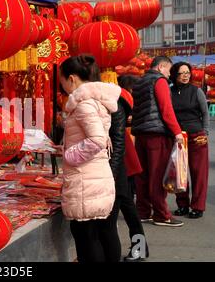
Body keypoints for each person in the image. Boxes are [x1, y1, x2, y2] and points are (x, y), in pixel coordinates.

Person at [59, 55, 121, 262]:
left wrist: (69, 155)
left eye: (62, 80)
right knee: (100, 234)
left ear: (72, 79)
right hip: (96, 175)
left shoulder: (84, 104)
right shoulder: (97, 101)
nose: (62, 85)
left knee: (86, 237)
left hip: (86, 178)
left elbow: (96, 140)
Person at [131, 56, 184, 227]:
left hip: (140, 133)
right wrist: (177, 132)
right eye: (169, 70)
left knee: (143, 176)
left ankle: (143, 211)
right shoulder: (159, 81)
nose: (169, 75)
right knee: (157, 175)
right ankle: (161, 214)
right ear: (161, 67)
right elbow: (166, 110)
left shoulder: (139, 82)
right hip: (157, 134)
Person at [110, 76, 148, 262]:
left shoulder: (116, 99)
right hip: (124, 161)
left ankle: (138, 250)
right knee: (129, 210)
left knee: (123, 211)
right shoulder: (119, 97)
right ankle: (140, 250)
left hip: (120, 163)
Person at [169, 62, 209, 219]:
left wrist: (205, 133)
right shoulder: (170, 92)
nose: (185, 76)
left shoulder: (196, 91)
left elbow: (205, 113)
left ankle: (198, 207)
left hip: (197, 136)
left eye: (187, 72)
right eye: (181, 73)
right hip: (179, 137)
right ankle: (183, 205)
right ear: (174, 75)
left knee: (199, 173)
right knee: (180, 173)